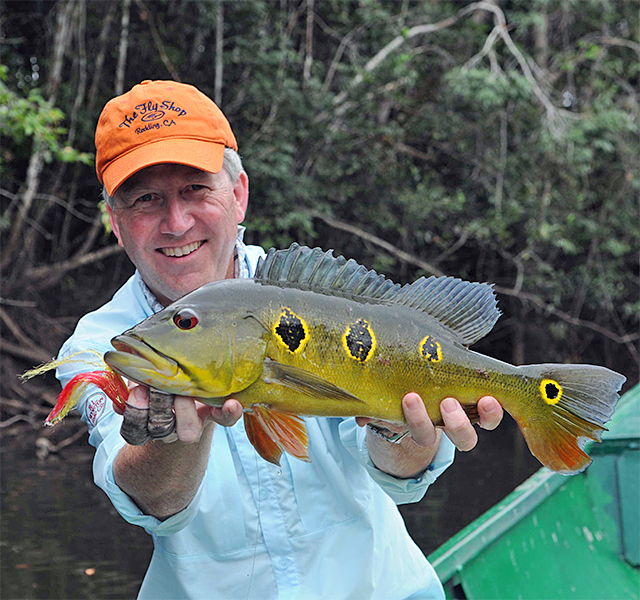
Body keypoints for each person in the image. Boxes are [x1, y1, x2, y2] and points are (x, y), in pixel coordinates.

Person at [56, 80, 503, 600]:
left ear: (239, 194)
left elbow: (394, 470)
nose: (176, 223)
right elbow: (153, 501)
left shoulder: (315, 300)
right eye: (145, 200)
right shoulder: (101, 346)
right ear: (116, 221)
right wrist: (170, 442)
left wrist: (404, 433)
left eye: (195, 190)